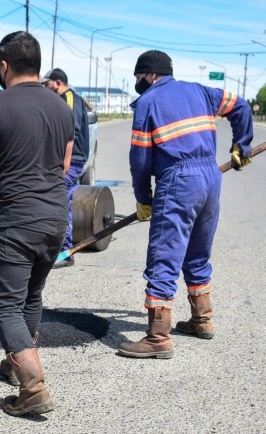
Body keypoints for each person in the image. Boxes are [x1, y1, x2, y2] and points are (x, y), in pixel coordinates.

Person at [0, 31, 74, 416]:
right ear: (37, 65)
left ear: (3, 66)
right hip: (55, 218)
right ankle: (14, 363)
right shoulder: (62, 108)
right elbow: (66, 166)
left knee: (5, 305)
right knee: (31, 296)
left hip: (17, 221)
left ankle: (34, 386)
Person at [118, 50, 254, 359]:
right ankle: (202, 319)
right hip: (209, 178)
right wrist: (241, 144)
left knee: (164, 255)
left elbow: (140, 159)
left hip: (178, 181)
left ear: (149, 75)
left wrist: (143, 197)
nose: (138, 84)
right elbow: (241, 106)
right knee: (197, 251)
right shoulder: (200, 91)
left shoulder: (147, 103)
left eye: (139, 77)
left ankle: (157, 336)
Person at [40, 68, 90, 269]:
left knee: (61, 201)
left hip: (72, 160)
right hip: (68, 159)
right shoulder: (67, 98)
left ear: (57, 82)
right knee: (60, 200)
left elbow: (71, 129)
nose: (45, 87)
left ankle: (65, 253)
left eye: (47, 83)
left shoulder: (68, 99)